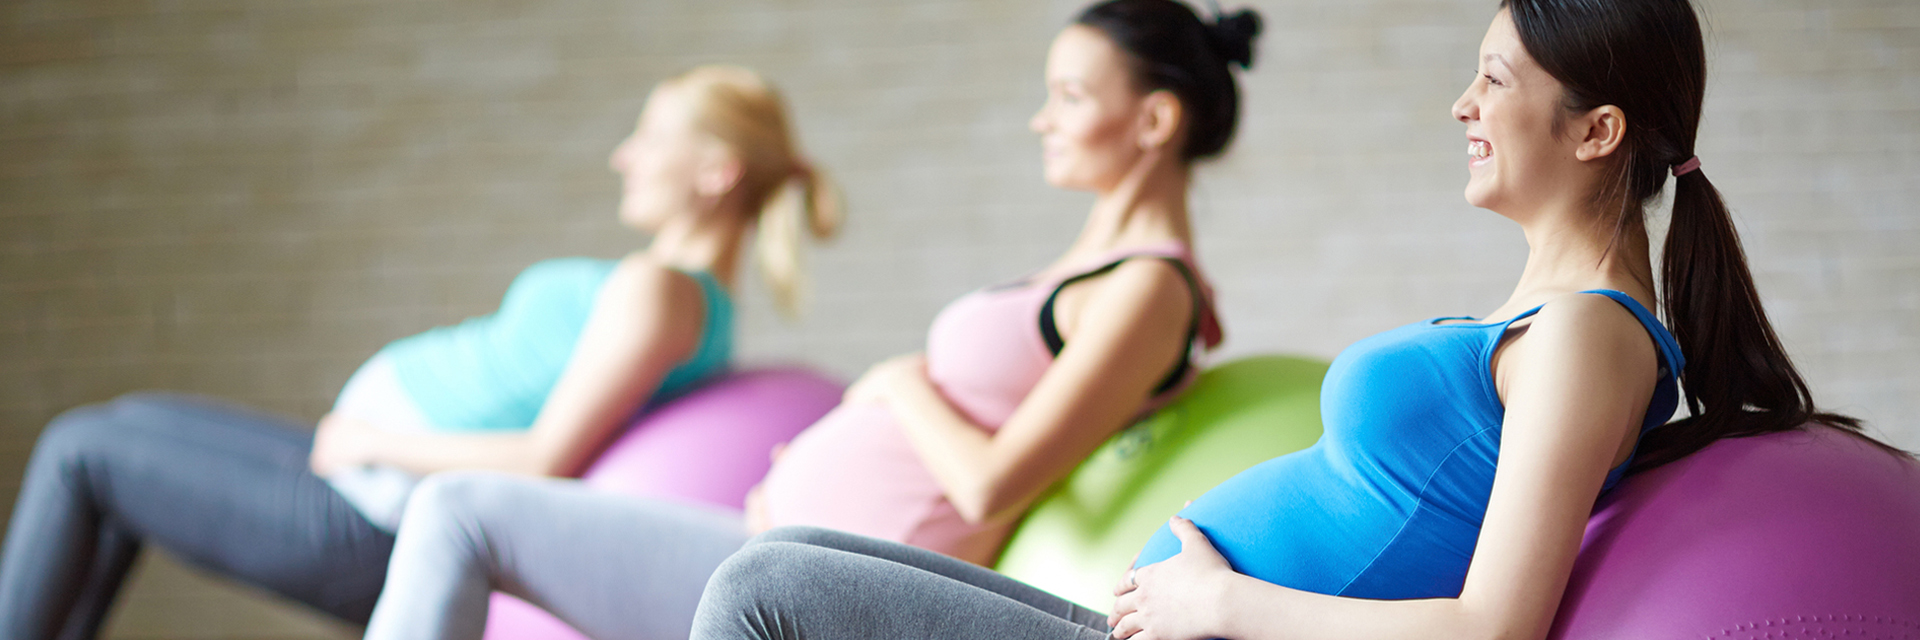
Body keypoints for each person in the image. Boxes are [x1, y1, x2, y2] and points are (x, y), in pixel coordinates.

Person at [688, 1, 1903, 639]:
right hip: (1150, 620)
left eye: (1494, 78)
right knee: (789, 564)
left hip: (1196, 633)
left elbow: (1494, 628)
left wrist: (1218, 605)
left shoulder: (1594, 332)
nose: (1461, 103)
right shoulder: (1549, 313)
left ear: (1597, 131)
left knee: (761, 601)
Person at [354, 1, 1254, 638]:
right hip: (773, 544)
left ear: (1154, 120)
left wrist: (900, 385)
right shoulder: (1090, 270)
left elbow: (990, 485)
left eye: (1069, 96)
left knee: (460, 509)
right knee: (459, 511)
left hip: (839, 586)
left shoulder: (1151, 289)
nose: (1039, 120)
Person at [0, 64, 840, 640]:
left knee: (82, 451)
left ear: (717, 172)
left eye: (651, 137)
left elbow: (545, 457)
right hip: (373, 485)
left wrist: (372, 440)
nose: (625, 155)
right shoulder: (695, 300)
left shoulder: (662, 291)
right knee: (126, 422)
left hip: (378, 517)